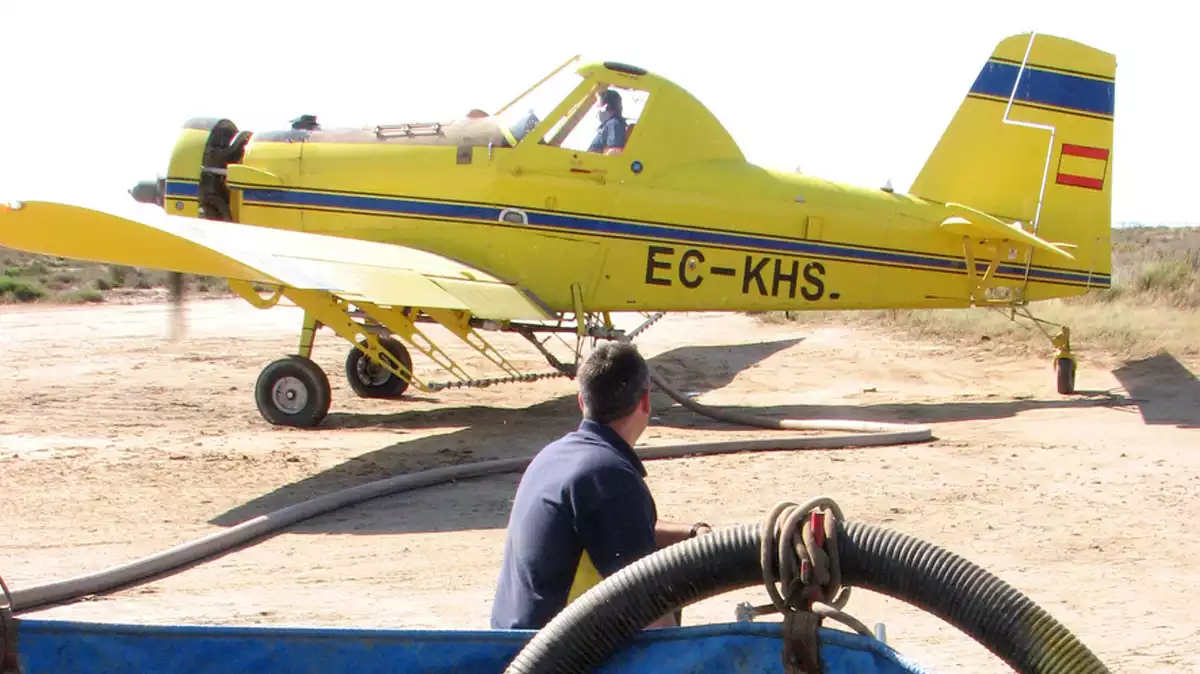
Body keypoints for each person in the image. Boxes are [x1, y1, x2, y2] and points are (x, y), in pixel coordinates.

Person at [489, 341, 712, 630]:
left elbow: (613, 529)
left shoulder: (556, 456)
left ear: (582, 401)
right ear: (645, 402)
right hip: (557, 659)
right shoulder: (608, 477)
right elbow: (652, 617)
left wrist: (693, 534)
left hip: (509, 646)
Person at [587, 89, 627, 154]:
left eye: (598, 104)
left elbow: (615, 151)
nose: (596, 107)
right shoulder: (609, 125)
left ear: (606, 106)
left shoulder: (613, 124)